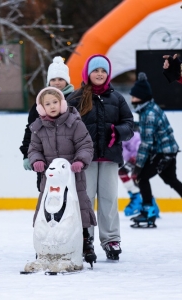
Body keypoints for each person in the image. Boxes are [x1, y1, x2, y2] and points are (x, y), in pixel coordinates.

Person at [66, 54, 134, 260]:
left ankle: (111, 239)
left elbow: (129, 124)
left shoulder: (117, 98)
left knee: (109, 200)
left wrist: (117, 131)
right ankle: (85, 239)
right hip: (83, 159)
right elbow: (65, 125)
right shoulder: (76, 98)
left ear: (108, 74)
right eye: (96, 70)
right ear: (88, 73)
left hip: (110, 157)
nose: (99, 74)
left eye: (103, 70)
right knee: (85, 200)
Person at [28, 87, 97, 267]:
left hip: (73, 177)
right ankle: (46, 244)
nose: (52, 106)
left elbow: (86, 144)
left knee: (78, 206)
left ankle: (85, 241)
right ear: (41, 108)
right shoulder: (38, 128)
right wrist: (37, 160)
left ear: (62, 103)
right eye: (47, 104)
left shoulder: (75, 123)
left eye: (55, 102)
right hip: (50, 179)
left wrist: (80, 161)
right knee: (48, 209)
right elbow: (33, 149)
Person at [130, 72, 182, 228]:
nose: (131, 98)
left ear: (141, 97)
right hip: (167, 151)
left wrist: (138, 167)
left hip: (164, 153)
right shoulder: (150, 108)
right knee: (171, 180)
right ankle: (148, 210)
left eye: (134, 96)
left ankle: (148, 211)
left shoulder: (148, 114)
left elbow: (146, 143)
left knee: (141, 177)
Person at [20, 56, 75, 191]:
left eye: (61, 79)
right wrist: (27, 154)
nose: (57, 83)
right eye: (53, 79)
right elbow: (31, 130)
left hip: (70, 160)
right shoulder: (40, 103)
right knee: (48, 196)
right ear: (49, 81)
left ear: (67, 81)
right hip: (46, 160)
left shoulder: (76, 101)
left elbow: (83, 132)